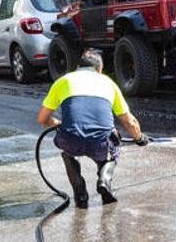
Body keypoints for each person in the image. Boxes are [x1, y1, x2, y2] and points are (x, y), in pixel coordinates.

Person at [37, 49, 148, 208]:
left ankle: (80, 194)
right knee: (112, 148)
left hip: (71, 140)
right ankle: (104, 181)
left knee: (68, 151)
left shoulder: (63, 81)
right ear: (100, 70)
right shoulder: (108, 83)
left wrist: (61, 125)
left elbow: (42, 119)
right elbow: (129, 122)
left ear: (77, 67)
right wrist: (139, 138)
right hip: (100, 142)